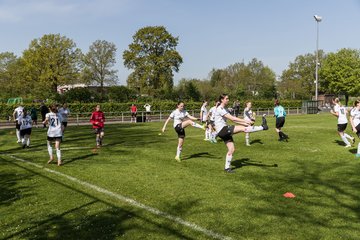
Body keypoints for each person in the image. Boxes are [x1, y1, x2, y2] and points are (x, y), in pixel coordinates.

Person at [214, 94, 268, 173]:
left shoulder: (224, 108)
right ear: (222, 100)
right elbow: (232, 118)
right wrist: (245, 121)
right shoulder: (220, 108)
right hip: (223, 130)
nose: (228, 100)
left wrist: (244, 122)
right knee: (243, 129)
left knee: (231, 149)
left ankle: (227, 168)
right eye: (227, 98)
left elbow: (234, 120)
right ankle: (263, 127)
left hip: (222, 131)